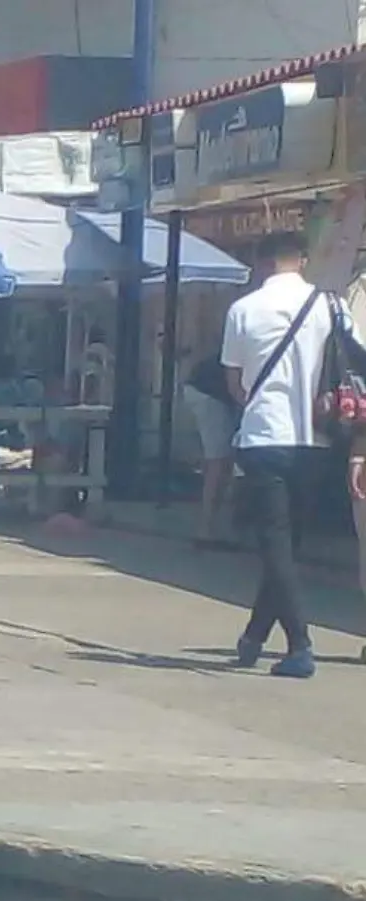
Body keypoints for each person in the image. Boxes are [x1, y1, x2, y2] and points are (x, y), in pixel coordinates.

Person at [220, 231, 351, 679]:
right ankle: (255, 636)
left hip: (264, 438)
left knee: (276, 545)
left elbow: (235, 385)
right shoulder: (330, 306)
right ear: (304, 259)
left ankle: (300, 645)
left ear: (261, 261)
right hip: (317, 440)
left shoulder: (243, 310)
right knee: (288, 544)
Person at [182, 345, 240, 548]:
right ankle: (206, 529)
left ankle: (210, 527)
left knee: (220, 461)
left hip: (204, 388)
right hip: (210, 393)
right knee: (219, 462)